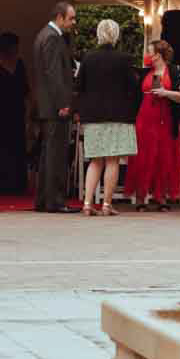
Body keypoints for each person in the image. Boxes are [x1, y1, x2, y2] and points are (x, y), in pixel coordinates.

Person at [74, 18, 139, 216]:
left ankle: (87, 203)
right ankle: (106, 204)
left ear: (98, 34)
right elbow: (134, 89)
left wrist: (81, 112)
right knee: (113, 160)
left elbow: (79, 87)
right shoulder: (124, 59)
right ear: (116, 35)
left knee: (95, 160)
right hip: (118, 115)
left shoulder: (88, 58)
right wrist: (132, 112)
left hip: (93, 116)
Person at [127, 39, 180, 211]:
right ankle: (141, 197)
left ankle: (161, 197)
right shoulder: (144, 71)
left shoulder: (173, 71)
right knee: (143, 156)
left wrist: (165, 93)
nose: (147, 55)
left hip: (165, 118)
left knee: (164, 156)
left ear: (157, 55)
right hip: (144, 118)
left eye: (150, 51)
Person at [31, 2, 78, 212]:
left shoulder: (45, 35)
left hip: (48, 105)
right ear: (60, 17)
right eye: (71, 18)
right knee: (55, 154)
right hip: (54, 106)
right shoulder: (51, 37)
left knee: (47, 153)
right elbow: (53, 73)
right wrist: (63, 103)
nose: (73, 23)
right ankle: (55, 201)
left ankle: (44, 199)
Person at [0, 32, 31, 196]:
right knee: (1, 148)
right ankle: (1, 185)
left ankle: (18, 184)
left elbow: (26, 88)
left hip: (17, 111)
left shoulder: (19, 63)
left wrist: (31, 109)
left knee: (17, 147)